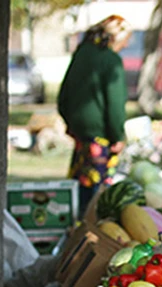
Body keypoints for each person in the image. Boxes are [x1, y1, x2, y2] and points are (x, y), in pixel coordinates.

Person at [58, 15, 133, 214]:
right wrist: (117, 135)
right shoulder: (111, 60)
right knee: (96, 197)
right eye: (126, 40)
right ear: (116, 37)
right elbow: (115, 105)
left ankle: (75, 230)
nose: (126, 45)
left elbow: (63, 96)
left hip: (81, 135)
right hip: (100, 139)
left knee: (79, 189)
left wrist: (71, 122)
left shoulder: (82, 54)